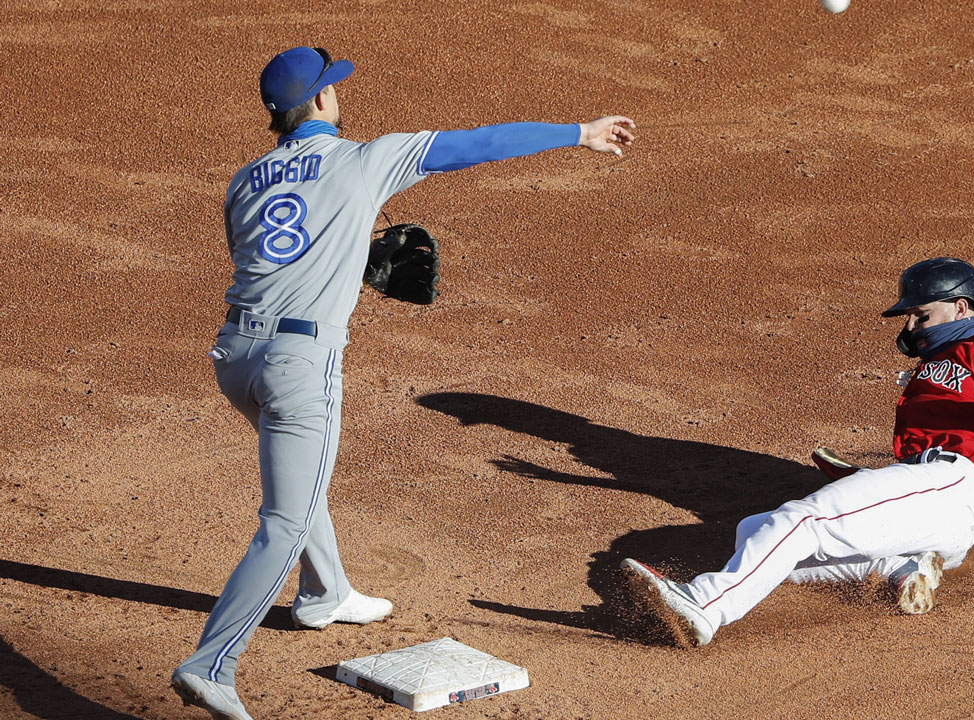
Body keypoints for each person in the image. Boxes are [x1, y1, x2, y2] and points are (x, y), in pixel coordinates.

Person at [171, 46, 636, 719]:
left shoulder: (244, 181)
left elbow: (266, 258)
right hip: (300, 366)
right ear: (324, 102)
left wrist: (346, 252)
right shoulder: (365, 158)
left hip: (236, 356)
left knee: (299, 478)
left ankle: (325, 593)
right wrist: (580, 132)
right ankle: (212, 663)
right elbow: (478, 144)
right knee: (285, 518)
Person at [621, 257, 974, 647]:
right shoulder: (934, 363)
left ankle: (704, 604)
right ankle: (898, 570)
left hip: (953, 487)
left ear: (960, 307)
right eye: (911, 316)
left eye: (922, 314)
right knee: (752, 532)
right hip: (931, 506)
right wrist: (863, 479)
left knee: (803, 521)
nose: (913, 325)